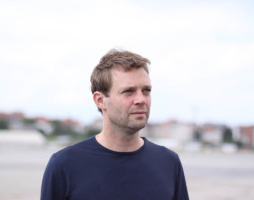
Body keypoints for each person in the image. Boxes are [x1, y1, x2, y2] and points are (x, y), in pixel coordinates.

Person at [40, 49, 189, 200]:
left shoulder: (169, 163)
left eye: (146, 90)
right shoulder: (64, 165)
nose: (141, 99)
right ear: (100, 100)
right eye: (128, 91)